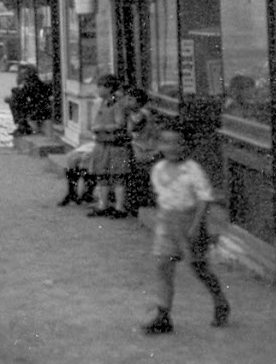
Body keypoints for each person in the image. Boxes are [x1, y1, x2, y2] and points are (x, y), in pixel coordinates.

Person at [143, 128, 230, 335]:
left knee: (199, 267)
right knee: (163, 265)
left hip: (190, 222)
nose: (171, 148)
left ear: (186, 145)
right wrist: (161, 219)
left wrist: (195, 226)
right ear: (160, 145)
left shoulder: (192, 169)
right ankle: (163, 316)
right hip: (167, 222)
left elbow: (204, 199)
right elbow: (162, 197)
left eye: (177, 143)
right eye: (166, 142)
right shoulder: (159, 169)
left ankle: (220, 301)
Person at [87, 74, 131, 218]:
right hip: (102, 143)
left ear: (109, 88)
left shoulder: (117, 103)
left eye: (100, 87)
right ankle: (103, 204)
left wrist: (102, 127)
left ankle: (120, 207)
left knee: (118, 176)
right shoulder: (103, 102)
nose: (98, 90)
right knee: (102, 175)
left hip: (115, 144)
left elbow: (120, 124)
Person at [126, 86, 162, 213]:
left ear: (139, 101)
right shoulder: (140, 113)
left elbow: (134, 128)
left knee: (141, 173)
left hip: (146, 147)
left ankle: (140, 201)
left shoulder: (142, 114)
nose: (127, 102)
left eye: (131, 99)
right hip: (143, 146)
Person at [5, 65, 56, 136]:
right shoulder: (37, 83)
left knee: (14, 101)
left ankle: (22, 126)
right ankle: (22, 125)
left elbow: (22, 92)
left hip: (37, 113)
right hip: (42, 112)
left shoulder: (31, 84)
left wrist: (15, 91)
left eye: (24, 75)